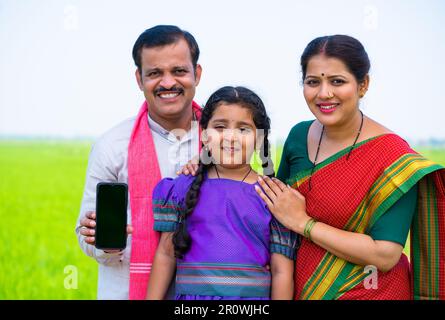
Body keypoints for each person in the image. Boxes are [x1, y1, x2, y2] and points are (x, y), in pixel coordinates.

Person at [255, 35, 445, 300]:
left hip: (372, 292)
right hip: (301, 287)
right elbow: (277, 210)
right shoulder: (298, 137)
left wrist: (305, 224)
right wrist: (204, 163)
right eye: (313, 82)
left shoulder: (394, 158)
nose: (324, 93)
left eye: (337, 81)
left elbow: (385, 254)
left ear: (363, 84)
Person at [75, 25, 203, 300]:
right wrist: (104, 241)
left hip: (209, 295)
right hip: (127, 291)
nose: (167, 83)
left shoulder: (228, 143)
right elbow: (86, 234)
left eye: (179, 71)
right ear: (139, 78)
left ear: (197, 73)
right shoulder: (113, 146)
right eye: (155, 73)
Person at [146, 86, 297, 300]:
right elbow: (165, 253)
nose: (231, 137)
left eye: (243, 129)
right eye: (220, 127)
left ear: (260, 139)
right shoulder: (183, 188)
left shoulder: (272, 197)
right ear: (205, 135)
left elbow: (282, 271)